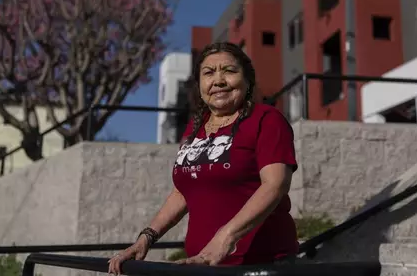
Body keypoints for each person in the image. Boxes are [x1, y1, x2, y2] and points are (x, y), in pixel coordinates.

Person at [108, 42, 299, 273]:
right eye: (208, 73)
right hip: (203, 266)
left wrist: (225, 239)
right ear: (199, 85)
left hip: (260, 265)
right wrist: (146, 238)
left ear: (247, 80)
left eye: (229, 71)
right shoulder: (194, 129)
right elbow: (183, 192)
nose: (218, 80)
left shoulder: (266, 119)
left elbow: (275, 185)